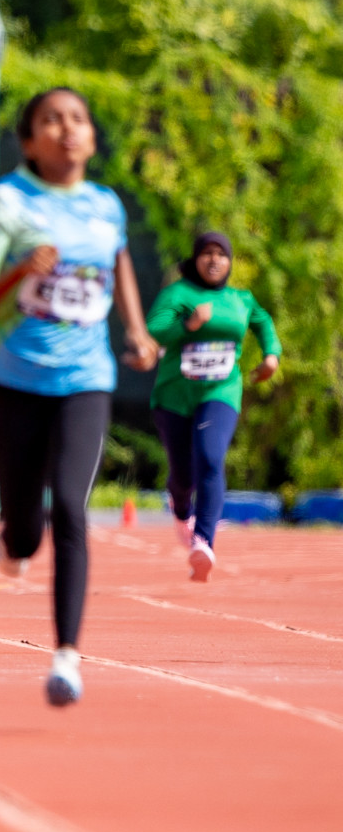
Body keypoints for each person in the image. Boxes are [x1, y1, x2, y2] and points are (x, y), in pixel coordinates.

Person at [0, 87, 159, 707]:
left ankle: (67, 655)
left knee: (70, 507)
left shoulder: (106, 205)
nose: (66, 130)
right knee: (25, 533)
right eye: (51, 121)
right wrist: (22, 270)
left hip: (85, 382)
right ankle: (13, 539)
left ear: (92, 137)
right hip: (17, 383)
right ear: (29, 141)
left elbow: (119, 261)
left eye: (77, 119)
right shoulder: (7, 202)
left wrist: (137, 327)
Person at [146, 231, 280, 582]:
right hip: (176, 396)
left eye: (222, 254)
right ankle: (180, 508)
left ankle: (203, 541)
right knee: (183, 476)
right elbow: (154, 330)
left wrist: (271, 357)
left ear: (230, 262)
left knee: (210, 457)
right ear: (195, 259)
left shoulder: (241, 299)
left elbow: (263, 323)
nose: (214, 260)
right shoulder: (180, 294)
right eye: (207, 253)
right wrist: (189, 324)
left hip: (220, 392)